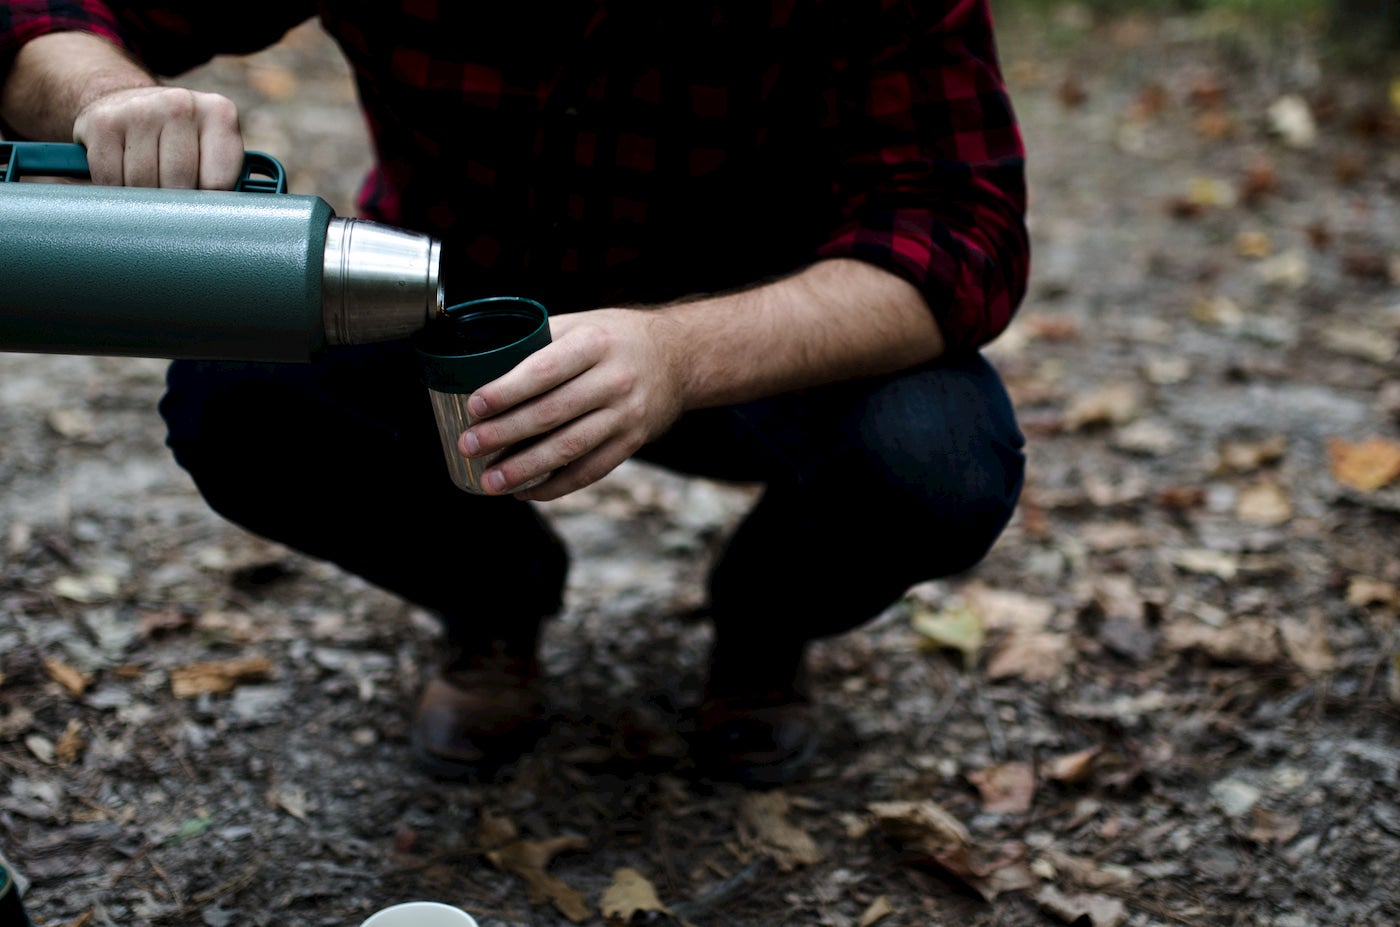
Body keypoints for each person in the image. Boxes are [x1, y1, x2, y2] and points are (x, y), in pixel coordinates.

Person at [0, 1, 1030, 786]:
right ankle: (489, 605)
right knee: (236, 395)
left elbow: (961, 230)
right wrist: (100, 94)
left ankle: (764, 626)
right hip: (447, 306)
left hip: (764, 333)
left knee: (933, 464)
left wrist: (677, 355)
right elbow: (46, 9)